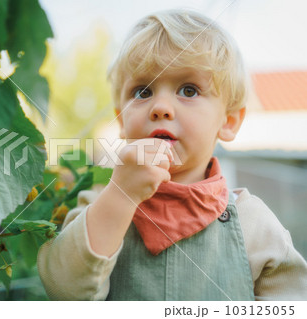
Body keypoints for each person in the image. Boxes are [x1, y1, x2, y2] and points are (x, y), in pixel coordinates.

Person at [37, 9, 307, 300]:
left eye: (188, 90)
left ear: (228, 121)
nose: (160, 107)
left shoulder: (254, 222)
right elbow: (65, 293)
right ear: (122, 122)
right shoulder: (99, 204)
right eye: (142, 92)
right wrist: (120, 195)